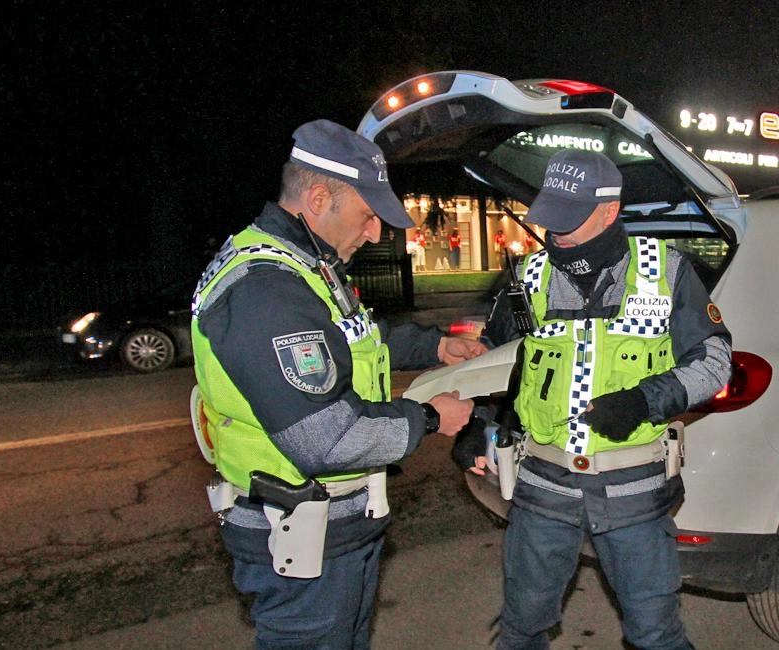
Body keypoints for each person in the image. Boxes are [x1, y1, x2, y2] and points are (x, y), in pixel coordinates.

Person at [191, 119, 485, 650]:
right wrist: (432, 417)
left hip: (336, 526)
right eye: (368, 215)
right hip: (300, 535)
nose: (375, 233)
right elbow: (325, 439)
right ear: (320, 196)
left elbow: (350, 344)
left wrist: (435, 347)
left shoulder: (310, 268)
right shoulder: (267, 289)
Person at [456, 150, 732, 650]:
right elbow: (497, 370)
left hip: (633, 492)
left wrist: (645, 400)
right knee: (521, 626)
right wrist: (478, 425)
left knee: (656, 633)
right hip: (542, 488)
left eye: (571, 217)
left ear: (609, 210)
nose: (556, 233)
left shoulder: (666, 272)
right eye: (552, 215)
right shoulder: (530, 278)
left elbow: (714, 362)